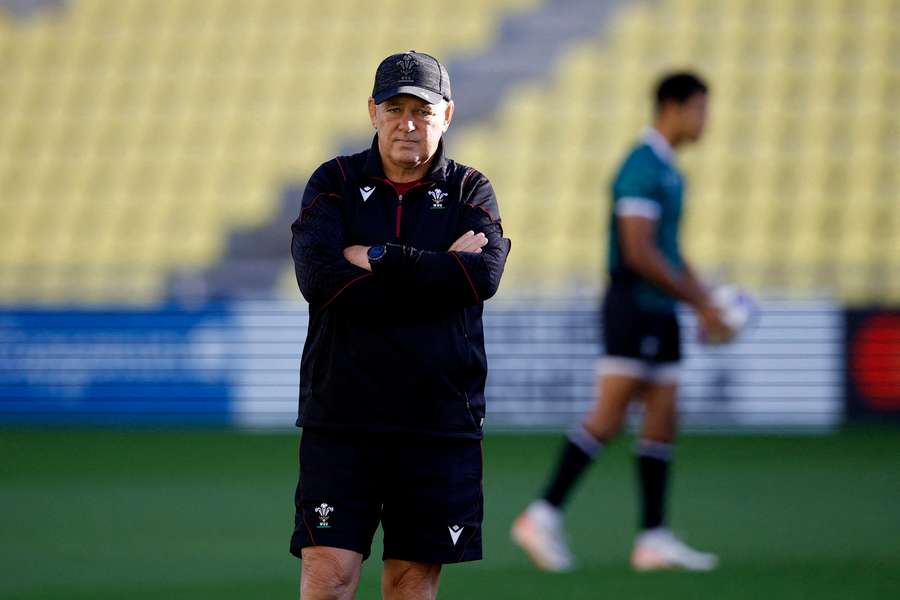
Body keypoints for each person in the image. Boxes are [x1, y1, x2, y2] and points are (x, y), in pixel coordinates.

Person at [289, 50, 511, 600]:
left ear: (448, 115)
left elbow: (481, 275)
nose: (408, 123)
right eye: (395, 108)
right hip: (343, 417)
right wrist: (435, 273)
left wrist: (380, 256)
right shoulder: (333, 182)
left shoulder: (469, 189)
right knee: (328, 575)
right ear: (373, 112)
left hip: (436, 421)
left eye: (423, 110)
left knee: (411, 583)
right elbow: (319, 278)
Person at [511, 72, 733, 572]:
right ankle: (541, 515)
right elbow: (639, 251)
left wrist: (705, 298)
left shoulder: (668, 169)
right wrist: (701, 302)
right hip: (633, 304)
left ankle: (653, 536)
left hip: (660, 308)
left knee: (663, 414)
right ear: (673, 108)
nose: (705, 121)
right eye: (700, 109)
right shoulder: (641, 166)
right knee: (609, 415)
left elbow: (671, 252)